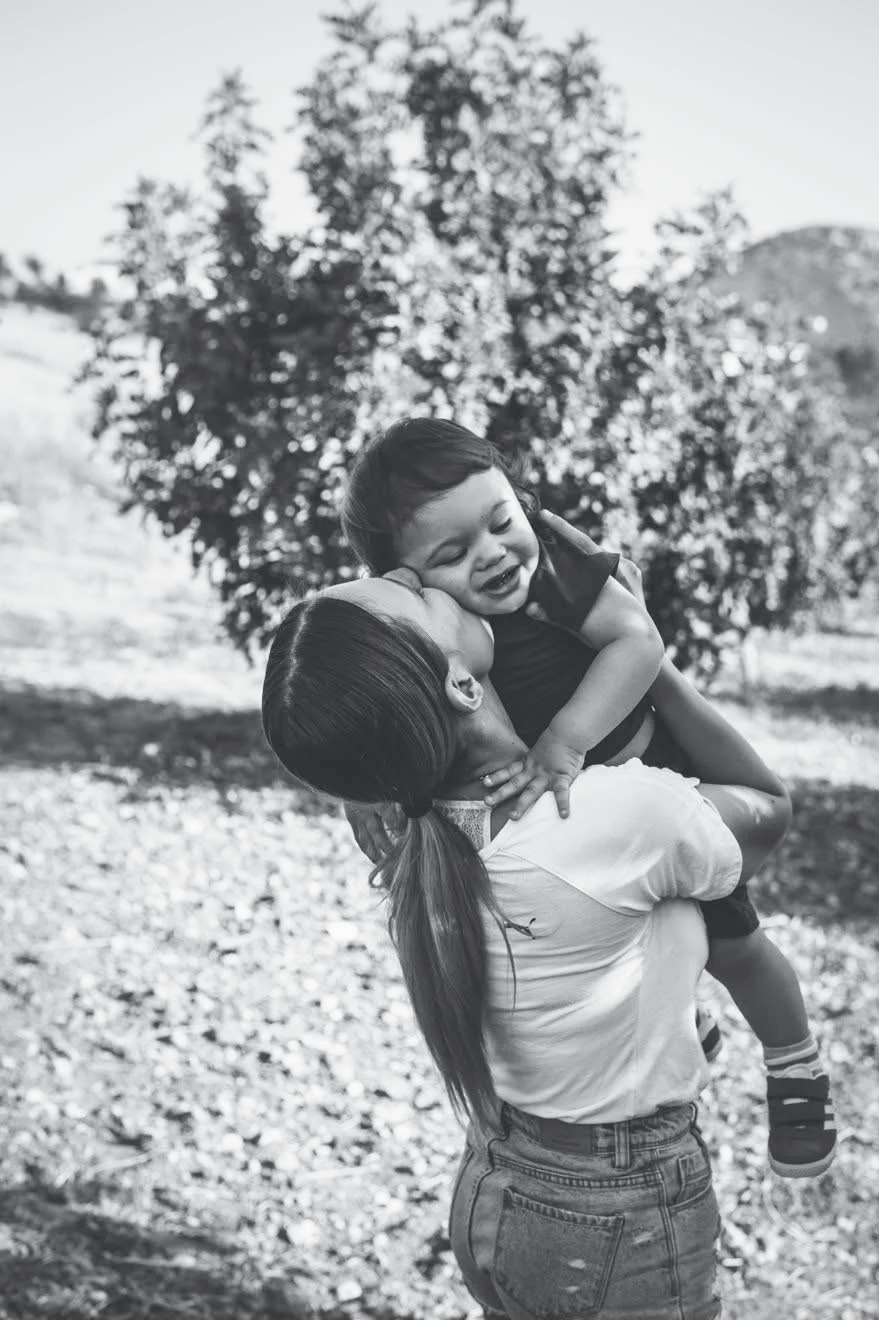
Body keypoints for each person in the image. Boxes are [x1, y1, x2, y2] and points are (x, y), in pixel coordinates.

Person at [261, 562, 801, 1318]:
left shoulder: (418, 837)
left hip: (497, 1188)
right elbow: (770, 808)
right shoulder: (609, 814)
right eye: (418, 592)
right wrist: (645, 657)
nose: (427, 577)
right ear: (458, 687)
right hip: (619, 1210)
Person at [340, 418, 836, 1179]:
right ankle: (675, 1023)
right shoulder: (425, 630)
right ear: (401, 584)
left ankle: (795, 1065)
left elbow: (636, 641)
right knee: (622, 950)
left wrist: (565, 740)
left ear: (519, 500)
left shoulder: (554, 566)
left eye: (501, 521)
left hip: (649, 779)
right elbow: (359, 699)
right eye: (453, 554)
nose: (494, 553)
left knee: (736, 945)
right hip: (567, 830)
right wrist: (364, 789)